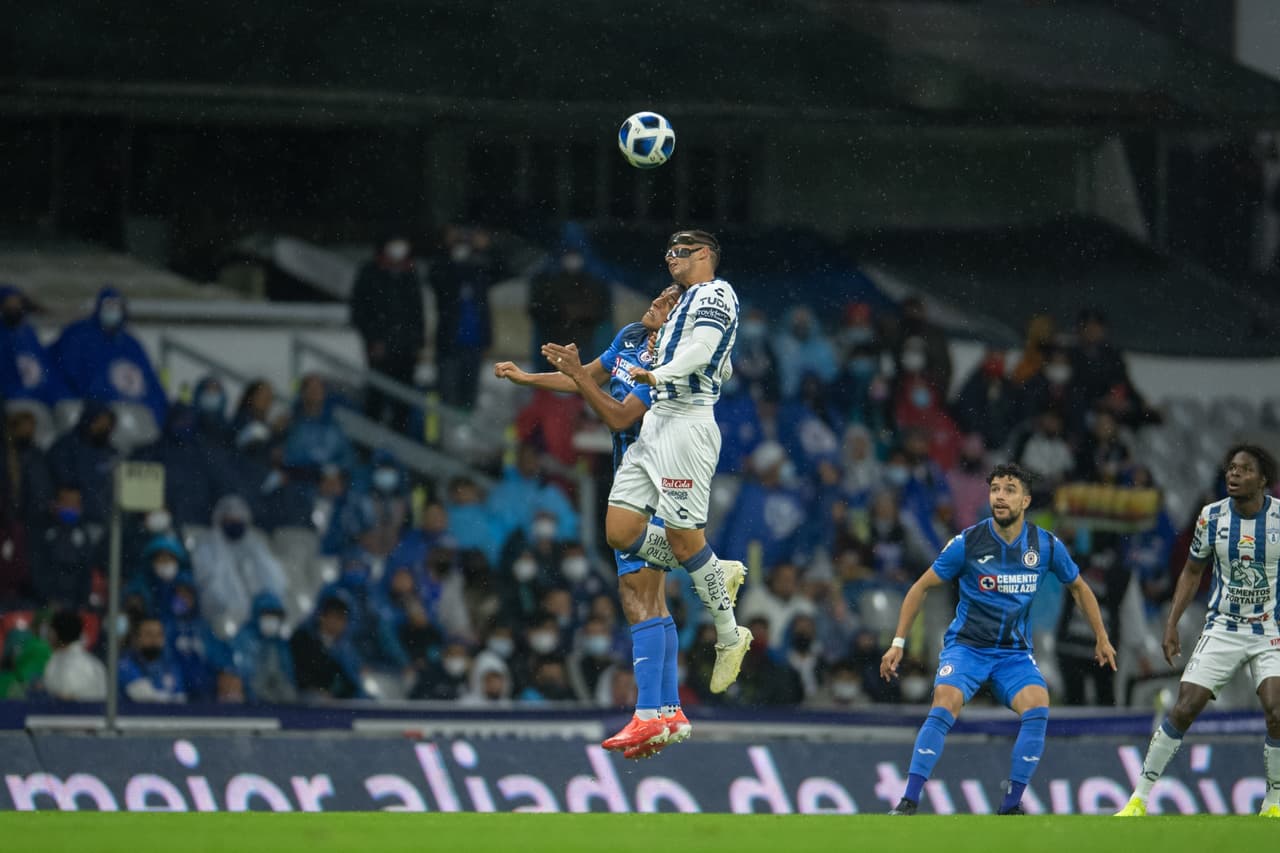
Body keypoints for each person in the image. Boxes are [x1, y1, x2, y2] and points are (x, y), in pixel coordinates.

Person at [497, 273, 747, 759]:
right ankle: (667, 711)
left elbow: (618, 415)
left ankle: (650, 712)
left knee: (638, 595)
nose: (658, 298)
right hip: (630, 472)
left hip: (659, 475)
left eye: (670, 299)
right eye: (661, 291)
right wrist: (531, 378)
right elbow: (588, 376)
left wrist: (577, 376)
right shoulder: (631, 337)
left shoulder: (672, 363)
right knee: (646, 596)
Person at [588, 231, 752, 753]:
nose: (669, 260)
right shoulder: (674, 311)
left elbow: (702, 352)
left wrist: (658, 373)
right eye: (666, 253)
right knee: (619, 531)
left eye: (679, 252)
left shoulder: (716, 293)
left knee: (676, 549)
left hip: (686, 424)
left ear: (704, 256)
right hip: (657, 425)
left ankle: (730, 635)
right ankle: (712, 568)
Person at [879, 462, 1116, 815]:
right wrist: (898, 643)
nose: (1000, 497)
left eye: (1009, 490)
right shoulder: (968, 542)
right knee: (945, 701)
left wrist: (1102, 637)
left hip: (1013, 655)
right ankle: (908, 800)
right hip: (967, 648)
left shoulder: (1045, 545)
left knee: (1038, 704)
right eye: (995, 490)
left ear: (1026, 501)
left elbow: (1079, 588)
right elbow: (920, 587)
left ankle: (1011, 805)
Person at [1116, 445, 1280, 817]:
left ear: (1263, 480)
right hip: (1223, 627)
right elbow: (1192, 571)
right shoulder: (1212, 516)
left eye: (1244, 469)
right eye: (1231, 468)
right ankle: (1138, 799)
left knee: (1276, 710)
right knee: (1185, 707)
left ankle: (1273, 802)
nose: (1233, 474)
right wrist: (1172, 623)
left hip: (1268, 629)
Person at [49, 286, 168, 427]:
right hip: (95, 416)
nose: (112, 312)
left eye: (116, 307)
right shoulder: (80, 335)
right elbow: (64, 372)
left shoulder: (130, 344)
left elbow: (152, 388)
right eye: (108, 306)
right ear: (99, 307)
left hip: (135, 418)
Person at [349, 232, 425, 432]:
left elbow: (417, 311)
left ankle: (400, 441)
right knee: (376, 397)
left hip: (405, 349)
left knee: (403, 401)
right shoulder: (370, 271)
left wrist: (417, 343)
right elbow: (359, 311)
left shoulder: (409, 271)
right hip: (379, 349)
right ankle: (369, 442)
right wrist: (373, 339)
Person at [42, 610, 107, 702]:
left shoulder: (69, 664)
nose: (48, 636)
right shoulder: (95, 662)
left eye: (50, 631)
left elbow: (67, 700)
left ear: (55, 634)